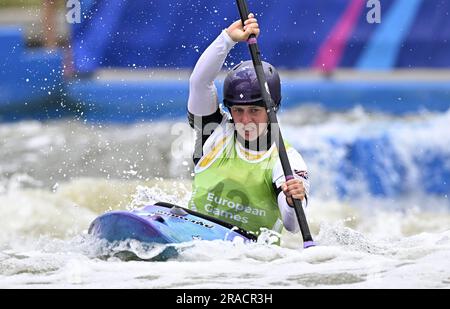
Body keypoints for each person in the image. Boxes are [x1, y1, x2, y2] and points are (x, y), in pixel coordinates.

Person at [187, 13, 310, 238]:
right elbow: (199, 83)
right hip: (195, 239)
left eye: (254, 111)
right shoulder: (214, 132)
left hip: (250, 259)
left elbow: (292, 225)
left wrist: (293, 201)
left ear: (272, 109)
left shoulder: (287, 160)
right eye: (238, 110)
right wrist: (227, 39)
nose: (245, 120)